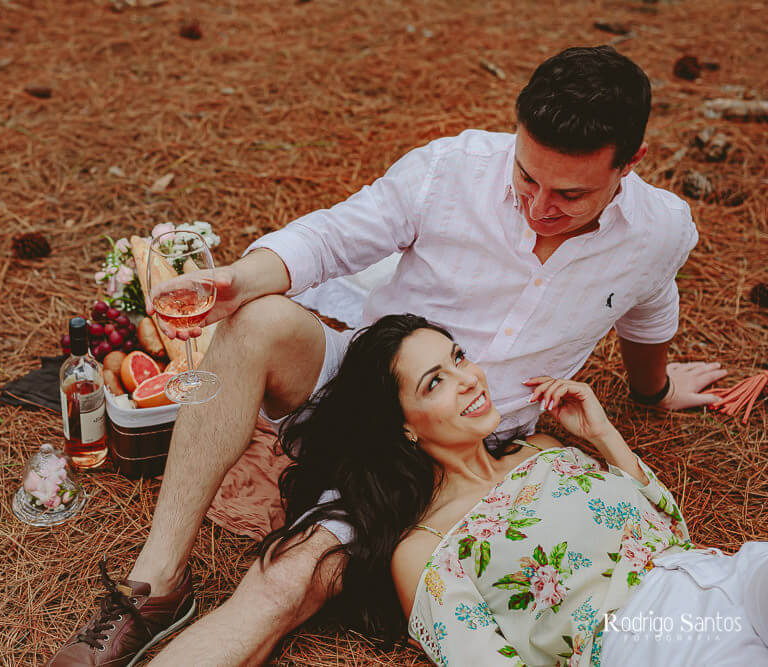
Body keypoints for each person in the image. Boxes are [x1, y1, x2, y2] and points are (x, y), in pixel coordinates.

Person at [48, 46, 727, 666]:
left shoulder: (660, 230)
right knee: (257, 320)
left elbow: (648, 305)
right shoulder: (449, 170)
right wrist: (240, 278)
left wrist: (652, 391)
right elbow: (335, 236)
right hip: (367, 376)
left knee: (289, 578)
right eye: (526, 177)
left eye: (569, 195)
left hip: (450, 458)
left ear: (628, 166)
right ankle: (157, 581)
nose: (538, 205)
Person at [261, 314, 768, 666]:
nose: (468, 379)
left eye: (458, 357)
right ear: (403, 427)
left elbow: (670, 532)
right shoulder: (425, 549)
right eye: (435, 382)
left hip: (728, 574)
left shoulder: (543, 448)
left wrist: (603, 437)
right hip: (651, 641)